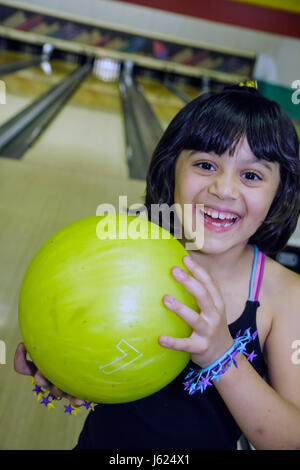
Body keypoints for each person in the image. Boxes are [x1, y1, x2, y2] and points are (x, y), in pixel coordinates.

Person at [14, 83, 300, 450]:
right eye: (205, 164)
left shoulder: (284, 297)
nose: (224, 190)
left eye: (251, 175)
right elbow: (94, 350)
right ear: (172, 170)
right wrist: (66, 372)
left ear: (281, 191)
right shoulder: (126, 251)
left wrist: (221, 357)